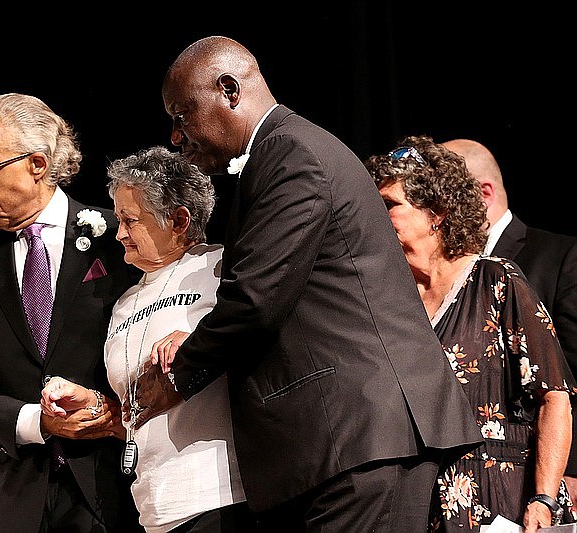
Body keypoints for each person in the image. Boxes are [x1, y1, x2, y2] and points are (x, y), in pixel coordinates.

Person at [133, 35, 484, 532]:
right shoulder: (282, 154)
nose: (175, 135)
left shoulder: (291, 154)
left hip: (360, 434)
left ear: (230, 90)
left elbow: (256, 298)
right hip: (345, 441)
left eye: (181, 114)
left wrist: (180, 375)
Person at [0, 93, 142, 533]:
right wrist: (35, 422)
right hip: (16, 501)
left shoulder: (120, 240)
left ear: (38, 165)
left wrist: (115, 413)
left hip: (115, 490)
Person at [364, 134, 577, 532]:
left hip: (504, 501)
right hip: (415, 505)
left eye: (389, 206)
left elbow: (554, 398)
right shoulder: (387, 304)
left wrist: (544, 498)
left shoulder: (497, 281)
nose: (375, 219)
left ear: (437, 212)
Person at [39, 145, 253, 533]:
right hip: (153, 508)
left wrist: (196, 339)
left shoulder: (223, 269)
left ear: (179, 220)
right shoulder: (122, 303)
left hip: (224, 495)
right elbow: (137, 416)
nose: (118, 233)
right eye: (118, 219)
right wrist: (92, 404)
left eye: (130, 220)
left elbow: (256, 340)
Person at [442, 138, 577, 507]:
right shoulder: (432, 273)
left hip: (541, 473)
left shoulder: (558, 256)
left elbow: (570, 376)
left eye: (445, 189)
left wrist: (570, 469)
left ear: (483, 193)